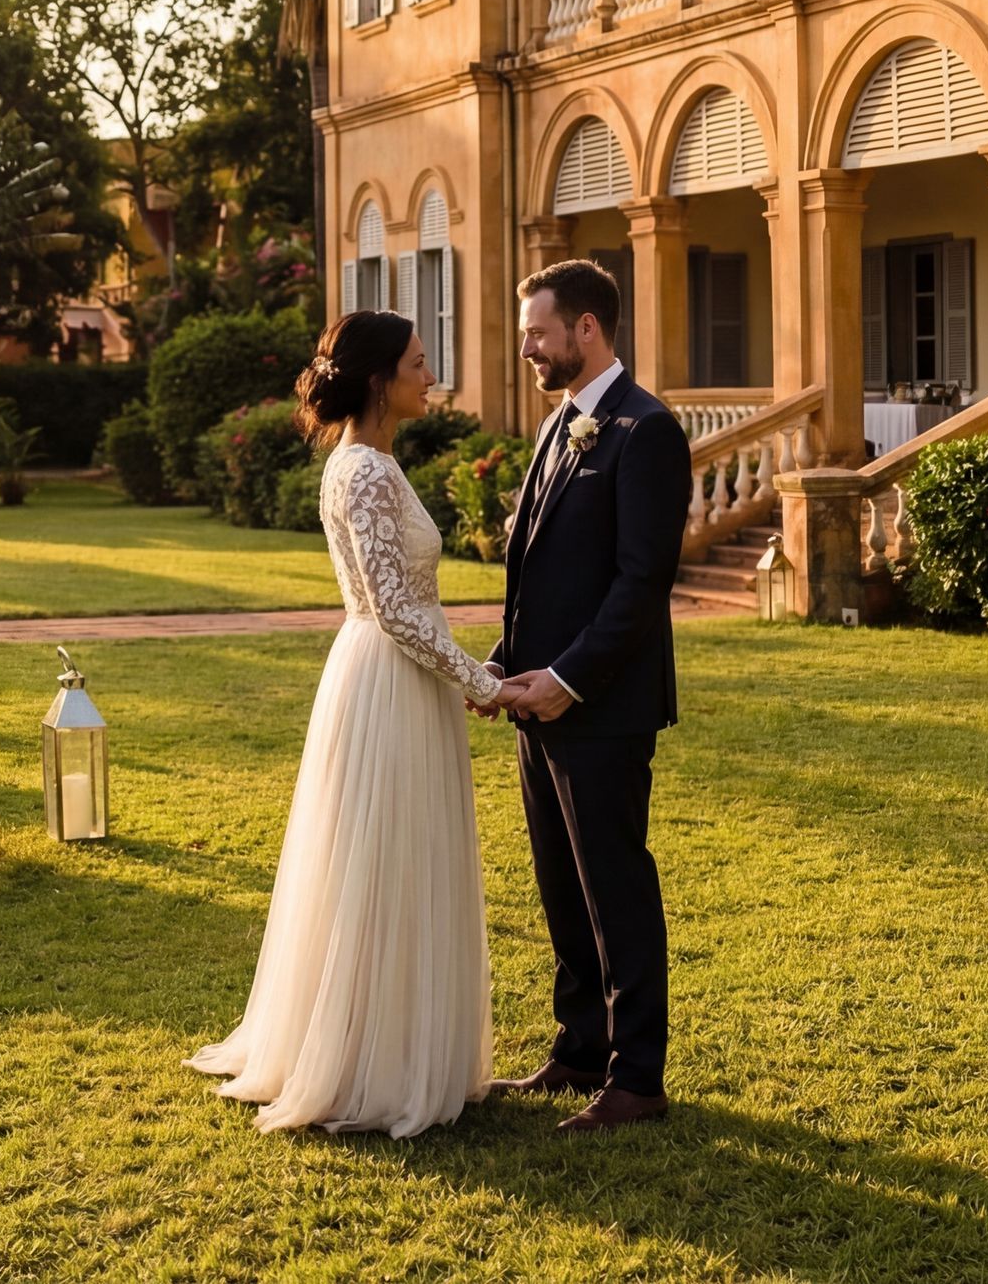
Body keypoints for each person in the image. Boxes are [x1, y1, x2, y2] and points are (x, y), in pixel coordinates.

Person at [187, 310, 502, 1136]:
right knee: (382, 858)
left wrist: (466, 671)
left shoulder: (375, 462)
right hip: (389, 677)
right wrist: (481, 680)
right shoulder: (362, 470)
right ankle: (375, 1060)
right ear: (378, 380)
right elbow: (393, 608)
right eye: (419, 363)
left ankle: (401, 1042)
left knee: (403, 854)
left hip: (402, 675)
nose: (431, 376)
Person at [480, 257, 689, 1131]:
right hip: (538, 701)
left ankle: (636, 1077)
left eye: (538, 331)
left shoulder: (646, 431)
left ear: (587, 328)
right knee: (561, 884)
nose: (527, 346)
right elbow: (542, 574)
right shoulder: (557, 424)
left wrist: (568, 681)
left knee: (615, 887)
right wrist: (502, 668)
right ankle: (578, 1047)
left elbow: (641, 583)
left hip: (602, 706)